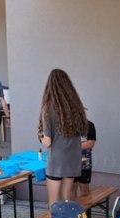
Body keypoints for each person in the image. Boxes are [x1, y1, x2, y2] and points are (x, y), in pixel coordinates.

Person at [37, 69, 88, 205]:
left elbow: (48, 142)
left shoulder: (48, 107)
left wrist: (40, 136)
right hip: (72, 159)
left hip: (57, 161)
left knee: (54, 203)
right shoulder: (76, 107)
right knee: (66, 201)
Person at [74, 119, 96, 198]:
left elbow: (90, 144)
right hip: (70, 163)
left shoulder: (89, 125)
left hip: (84, 162)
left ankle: (85, 206)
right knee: (71, 190)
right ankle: (74, 206)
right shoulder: (67, 125)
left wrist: (71, 145)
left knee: (85, 191)